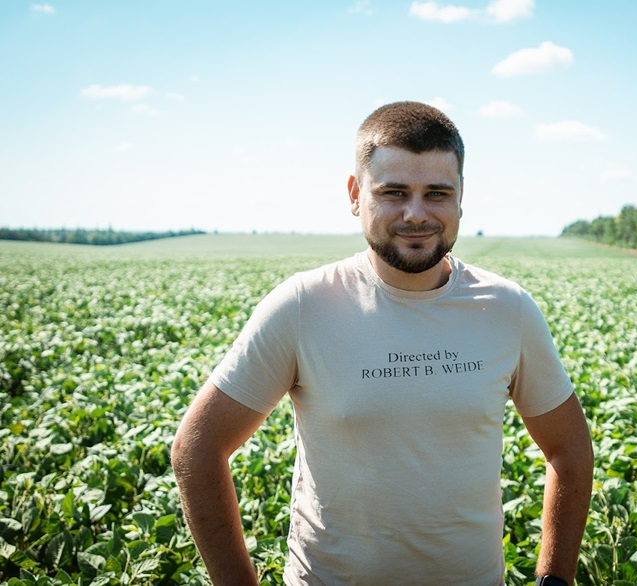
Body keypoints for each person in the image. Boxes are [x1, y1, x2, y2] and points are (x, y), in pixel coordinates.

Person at [171, 101, 594, 586]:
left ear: (461, 197)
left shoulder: (506, 309)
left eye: (437, 193)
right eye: (394, 192)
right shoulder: (303, 306)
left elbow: (569, 448)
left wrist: (555, 579)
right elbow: (197, 449)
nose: (417, 214)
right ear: (355, 194)